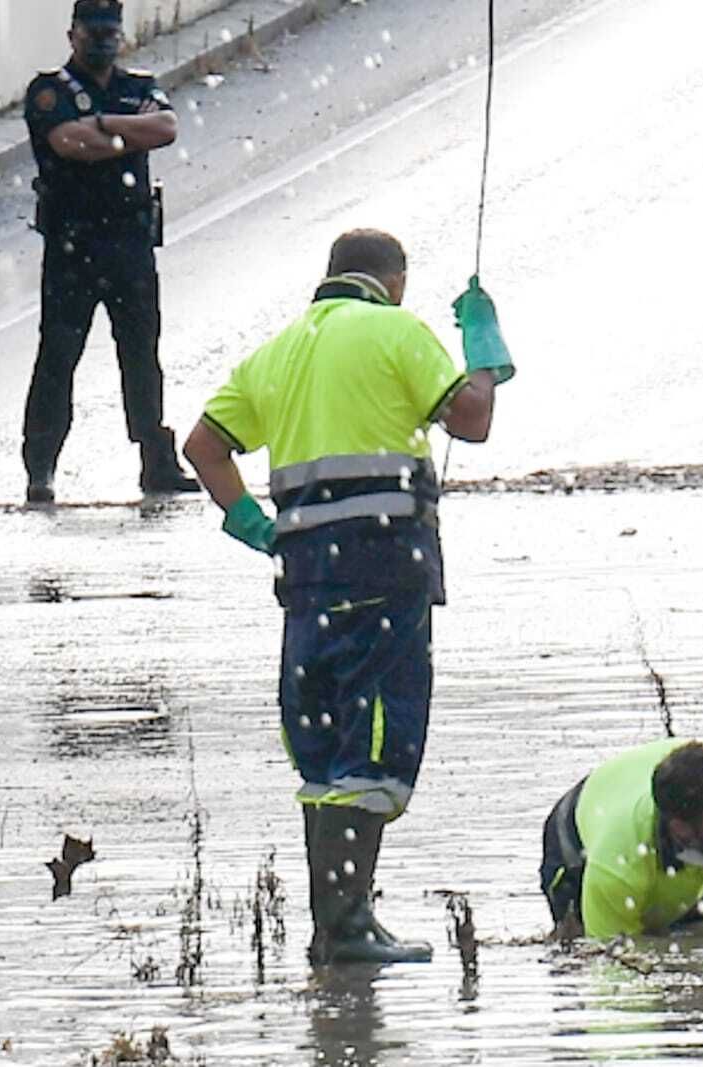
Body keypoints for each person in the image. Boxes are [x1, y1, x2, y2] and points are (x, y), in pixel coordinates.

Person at [183, 227, 514, 965]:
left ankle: (336, 921)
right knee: (373, 747)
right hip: (383, 570)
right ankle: (346, 926)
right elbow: (472, 419)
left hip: (307, 580)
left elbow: (203, 445)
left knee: (326, 748)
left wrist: (254, 524)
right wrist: (485, 354)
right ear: (394, 282)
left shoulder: (279, 350)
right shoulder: (396, 330)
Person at [20, 0, 198, 503]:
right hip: (73, 245)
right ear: (72, 35)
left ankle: (156, 461)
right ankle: (41, 467)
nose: (102, 40)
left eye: (110, 32)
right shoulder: (49, 91)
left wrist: (102, 127)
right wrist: (123, 132)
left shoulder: (138, 84)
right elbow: (69, 144)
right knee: (59, 355)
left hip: (130, 242)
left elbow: (166, 128)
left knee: (141, 354)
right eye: (92, 31)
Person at [540, 739, 703, 940]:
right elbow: (611, 973)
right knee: (580, 951)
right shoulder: (616, 864)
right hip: (580, 836)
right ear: (682, 830)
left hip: (683, 831)